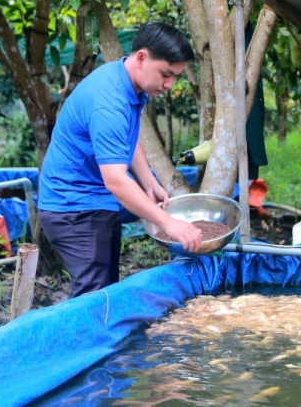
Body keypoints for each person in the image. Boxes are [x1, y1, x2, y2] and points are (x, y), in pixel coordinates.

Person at [38, 22, 202, 298]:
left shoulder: (130, 83)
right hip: (74, 208)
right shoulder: (109, 103)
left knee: (107, 290)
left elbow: (128, 135)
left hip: (95, 199)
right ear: (141, 58)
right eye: (165, 74)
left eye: (175, 77)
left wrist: (147, 179)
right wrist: (168, 222)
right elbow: (115, 181)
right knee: (93, 299)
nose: (169, 84)